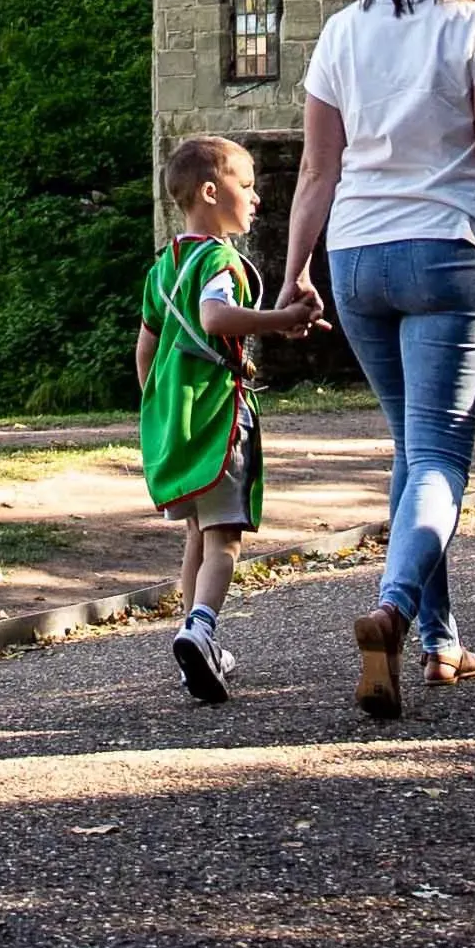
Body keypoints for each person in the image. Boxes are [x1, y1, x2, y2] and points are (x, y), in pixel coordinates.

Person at [270, 0, 475, 719]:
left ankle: (439, 641)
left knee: (413, 450)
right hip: (447, 257)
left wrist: (294, 270)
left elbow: (318, 168)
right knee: (437, 457)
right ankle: (392, 607)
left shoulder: (343, 31)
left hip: (356, 257)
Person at [135, 135, 302, 704]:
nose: (257, 199)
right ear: (211, 192)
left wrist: (158, 411)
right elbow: (214, 317)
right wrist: (279, 319)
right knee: (225, 539)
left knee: (195, 536)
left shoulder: (162, 268)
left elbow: (145, 353)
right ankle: (201, 628)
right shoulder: (219, 260)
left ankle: (192, 644)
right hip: (219, 420)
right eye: (247, 186)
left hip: (177, 425)